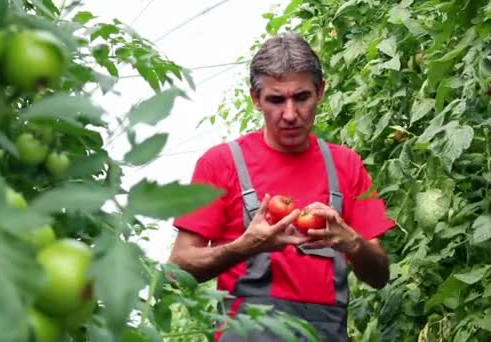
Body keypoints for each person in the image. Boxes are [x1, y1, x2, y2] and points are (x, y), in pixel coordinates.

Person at [168, 32, 394, 342]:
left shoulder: (346, 165)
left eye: (301, 97)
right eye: (276, 99)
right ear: (255, 99)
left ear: (321, 92)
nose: (290, 114)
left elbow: (380, 275)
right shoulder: (221, 164)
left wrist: (351, 241)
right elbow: (177, 268)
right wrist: (245, 247)